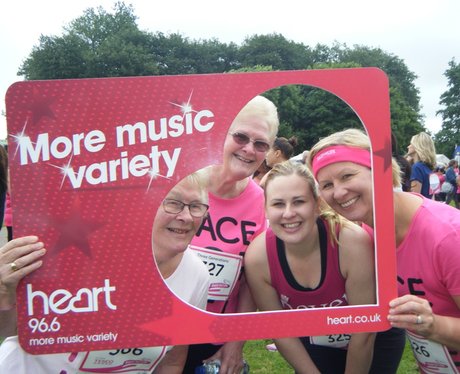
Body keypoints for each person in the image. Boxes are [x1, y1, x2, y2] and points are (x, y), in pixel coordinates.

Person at [0, 172, 211, 373]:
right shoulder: (76, 251)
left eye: (196, 206)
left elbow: (172, 360)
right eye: (173, 203)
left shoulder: (196, 275)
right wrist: (3, 290)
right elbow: (8, 332)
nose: (186, 217)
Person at [308, 128, 460, 373]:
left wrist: (433, 326)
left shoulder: (447, 236)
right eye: (326, 184)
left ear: (380, 171)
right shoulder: (366, 236)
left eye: (347, 176)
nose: (338, 192)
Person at [245, 161, 376, 373]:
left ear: (316, 205)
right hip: (312, 343)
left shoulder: (350, 242)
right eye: (278, 204)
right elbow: (280, 331)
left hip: (371, 340)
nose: (288, 214)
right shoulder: (258, 258)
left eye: (298, 202)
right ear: (266, 210)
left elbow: (364, 331)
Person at [183, 95, 279, 374]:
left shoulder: (262, 203)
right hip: (161, 331)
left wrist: (236, 343)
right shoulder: (183, 185)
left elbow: (252, 281)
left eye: (260, 144)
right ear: (220, 134)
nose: (249, 150)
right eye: (240, 137)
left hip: (213, 341)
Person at [406, 132, 437, 198]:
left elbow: (415, 198)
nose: (408, 146)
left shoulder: (417, 168)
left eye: (411, 144)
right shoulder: (428, 168)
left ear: (417, 146)